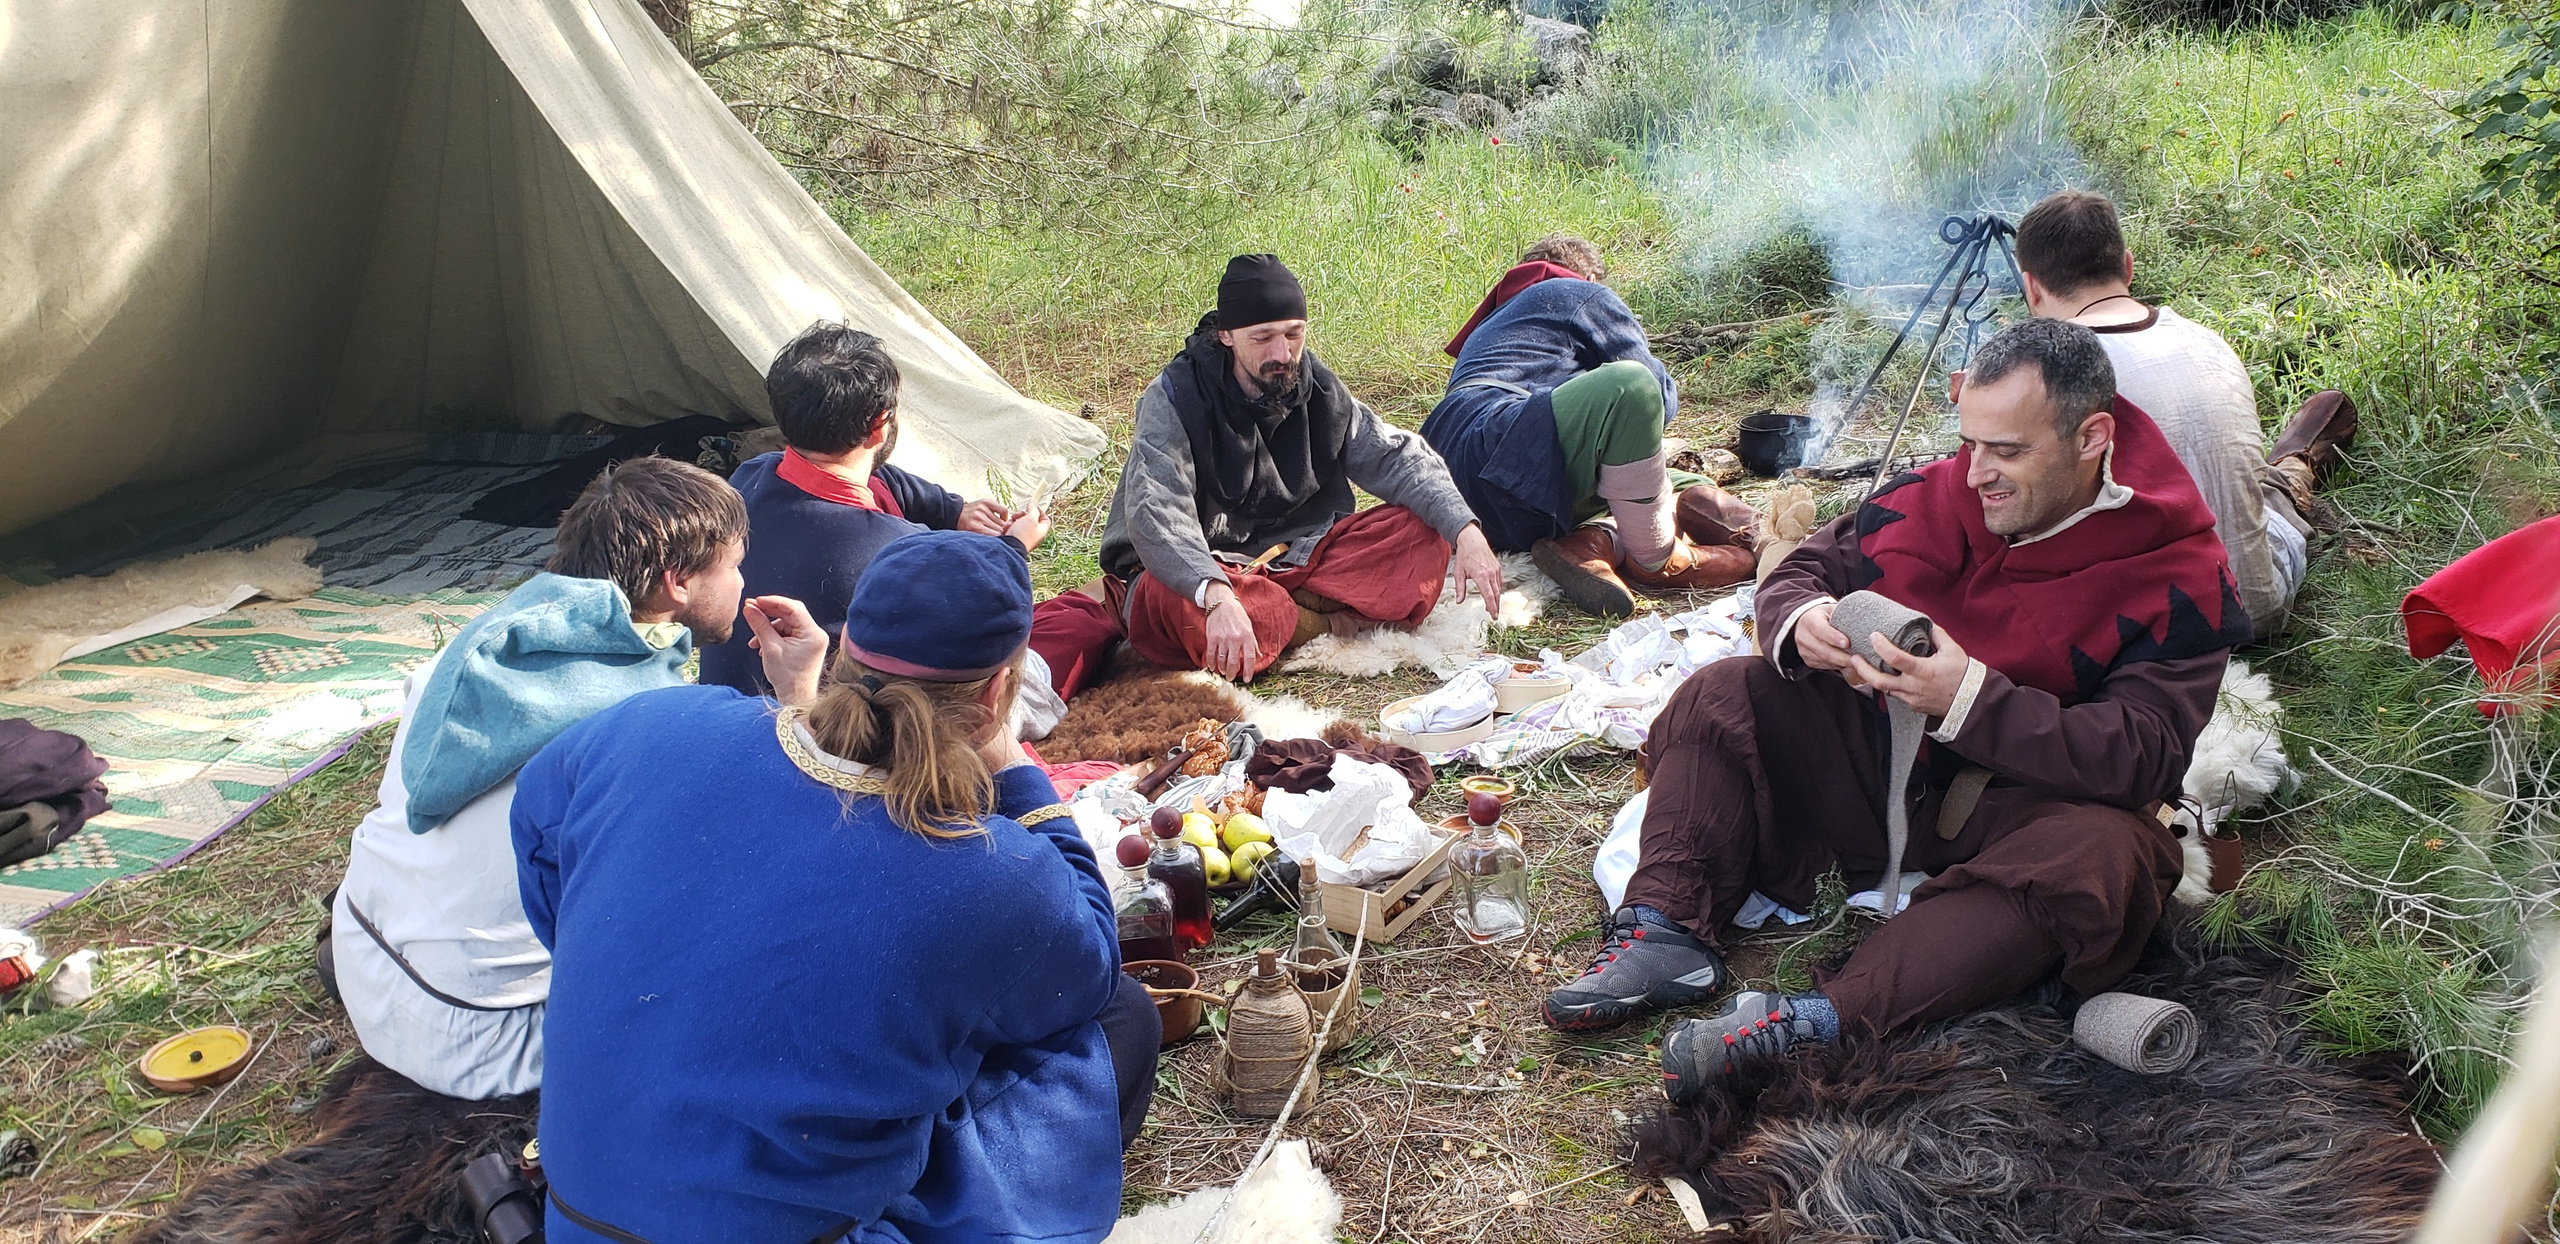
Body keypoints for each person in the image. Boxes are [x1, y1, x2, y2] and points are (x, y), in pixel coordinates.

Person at [1538, 320, 2248, 1101]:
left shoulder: (2179, 570)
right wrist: (1802, 619)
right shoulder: (1948, 490)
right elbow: (1807, 566)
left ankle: (1820, 1018)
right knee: (1729, 690)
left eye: (2007, 451)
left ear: (2092, 438)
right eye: (1971, 443)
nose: (1977, 475)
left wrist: (1969, 698)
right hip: (1881, 778)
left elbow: (2139, 756)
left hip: (2026, 815)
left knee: (2110, 856)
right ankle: (1667, 931)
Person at [513, 530, 1154, 1242]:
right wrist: (1015, 769)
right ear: (999, 691)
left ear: (845, 648)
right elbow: (1091, 965)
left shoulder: (649, 724)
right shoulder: (987, 868)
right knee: (1121, 1019)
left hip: (576, 1217)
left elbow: (540, 838)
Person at [326, 457, 828, 1100]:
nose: (742, 581)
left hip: (362, 954)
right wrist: (800, 695)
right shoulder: (653, 723)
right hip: (481, 1037)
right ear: (677, 582)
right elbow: (800, 844)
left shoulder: (487, 642)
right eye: (732, 565)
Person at [1093, 253, 1504, 683]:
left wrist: (1466, 531)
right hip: (1208, 568)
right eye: (1263, 337)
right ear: (1226, 335)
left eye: (1293, 334)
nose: (1282, 352)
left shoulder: (1318, 388)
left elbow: (1396, 457)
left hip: (1300, 558)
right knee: (1173, 602)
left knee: (1424, 534)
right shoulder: (1174, 397)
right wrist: (1216, 595)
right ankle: (1323, 621)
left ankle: (1289, 615)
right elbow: (1157, 513)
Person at [2016, 189, 2357, 639]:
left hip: (2149, 633)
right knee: (2260, 495)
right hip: (2259, 604)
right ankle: (2297, 462)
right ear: (2129, 267)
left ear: (2032, 288)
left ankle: (2295, 465)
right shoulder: (2207, 340)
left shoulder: (2040, 375)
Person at [698, 322, 1053, 698]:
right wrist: (1013, 548)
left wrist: (953, 511)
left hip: (727, 710)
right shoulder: (899, 551)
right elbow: (979, 597)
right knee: (1059, 638)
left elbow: (881, 480)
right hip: (827, 727)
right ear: (879, 425)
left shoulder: (749, 477)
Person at [1422, 235, 1761, 618]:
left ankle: (1588, 547)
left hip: (1449, 488)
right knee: (1631, 385)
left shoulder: (1495, 323)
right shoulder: (1575, 292)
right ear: (1591, 277)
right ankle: (1657, 559)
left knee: (1670, 480)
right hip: (1503, 443)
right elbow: (1658, 400)